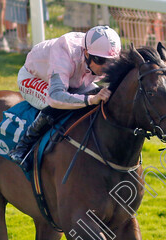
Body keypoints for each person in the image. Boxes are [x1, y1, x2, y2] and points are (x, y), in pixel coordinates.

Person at [7, 26, 121, 170]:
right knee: (57, 106)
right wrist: (90, 100)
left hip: (75, 79)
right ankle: (23, 147)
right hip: (35, 78)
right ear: (86, 53)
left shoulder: (100, 51)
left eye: (111, 62)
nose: (105, 67)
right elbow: (56, 97)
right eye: (100, 60)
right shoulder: (65, 51)